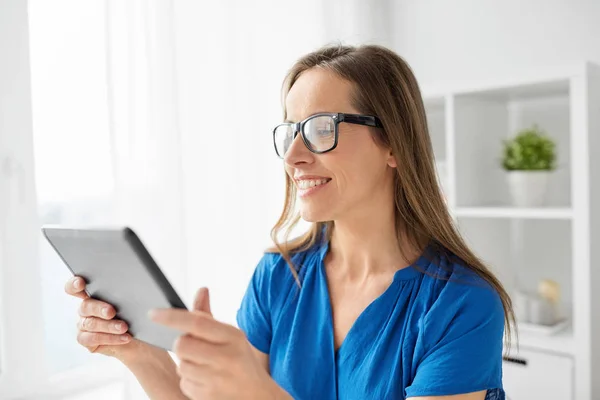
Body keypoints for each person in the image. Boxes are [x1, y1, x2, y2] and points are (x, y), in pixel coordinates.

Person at [64, 44, 514, 400]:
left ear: (393, 143)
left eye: (321, 129)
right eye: (290, 132)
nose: (295, 157)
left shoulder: (462, 305)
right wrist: (139, 352)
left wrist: (258, 394)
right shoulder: (280, 275)